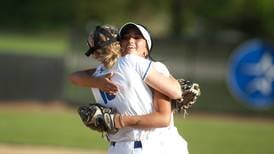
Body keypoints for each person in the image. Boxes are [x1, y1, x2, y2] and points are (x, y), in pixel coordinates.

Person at [70, 23, 188, 154]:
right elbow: (75, 76)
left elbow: (169, 105)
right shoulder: (107, 69)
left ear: (147, 48)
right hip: (124, 147)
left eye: (137, 37)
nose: (131, 41)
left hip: (149, 145)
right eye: (125, 38)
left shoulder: (136, 65)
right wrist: (97, 82)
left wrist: (118, 120)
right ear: (118, 43)